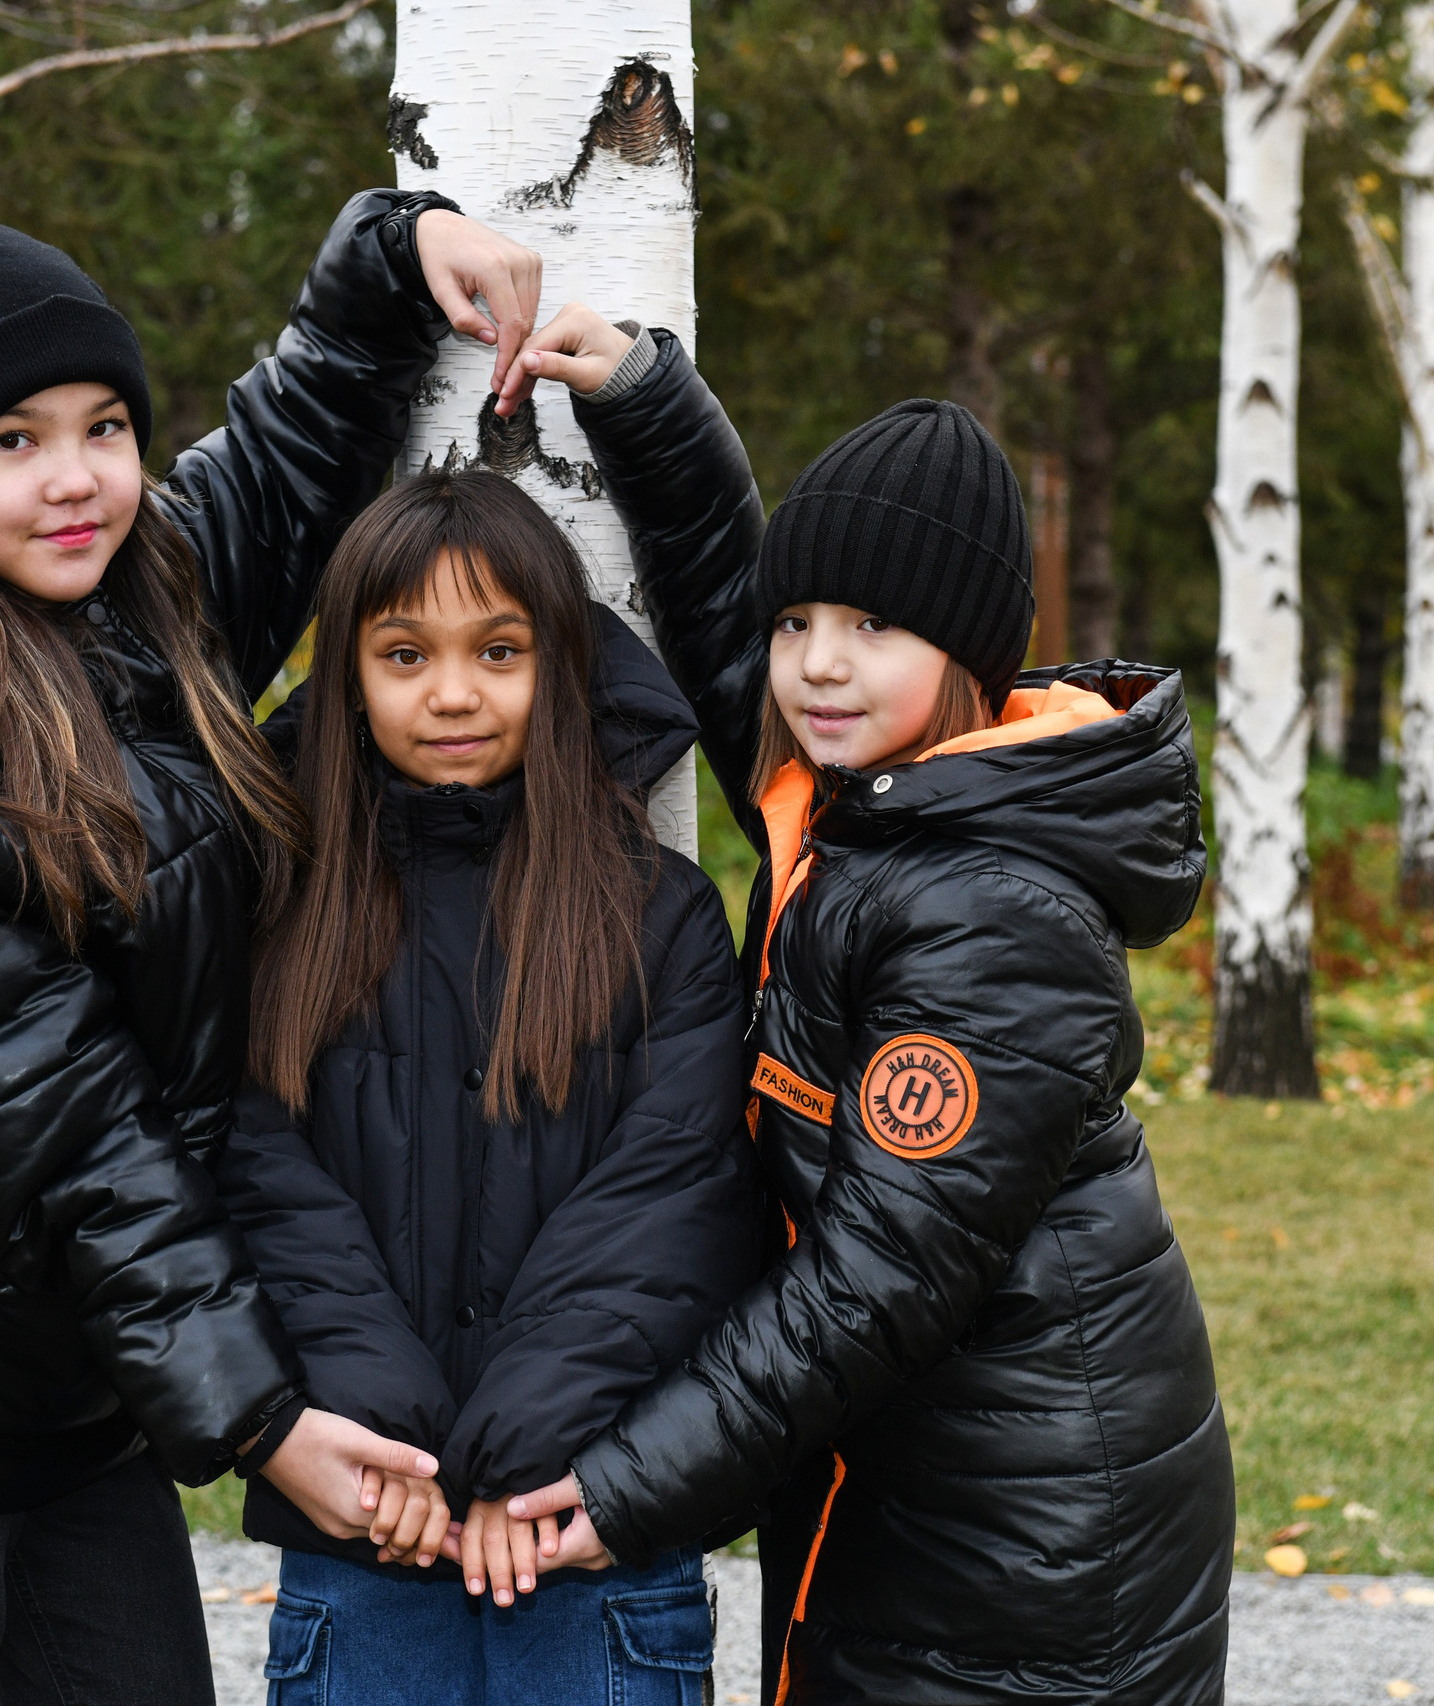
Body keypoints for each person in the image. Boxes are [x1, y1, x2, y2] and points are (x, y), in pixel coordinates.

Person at [0, 190, 549, 1706]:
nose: (77, 480)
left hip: (75, 1383)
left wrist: (392, 255)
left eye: (104, 424)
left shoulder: (130, 599)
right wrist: (266, 1421)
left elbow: (285, 459)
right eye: (12, 441)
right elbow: (79, 1146)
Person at [500, 313, 1236, 1704]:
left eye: (873, 626)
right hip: (929, 1483)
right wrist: (655, 406)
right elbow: (732, 631)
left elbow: (877, 1277)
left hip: (1027, 1550)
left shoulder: (994, 915)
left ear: (967, 653)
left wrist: (628, 1485)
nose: (819, 663)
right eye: (803, 623)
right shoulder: (881, 799)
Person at [214, 467, 765, 1705]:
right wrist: (398, 1429)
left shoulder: (659, 916)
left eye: (498, 649)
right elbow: (258, 1175)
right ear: (348, 677)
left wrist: (519, 1442)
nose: (452, 693)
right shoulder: (282, 918)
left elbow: (676, 1194)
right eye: (404, 653)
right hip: (367, 1525)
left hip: (586, 1527)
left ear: (559, 666)